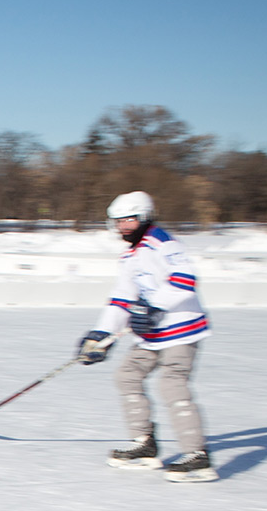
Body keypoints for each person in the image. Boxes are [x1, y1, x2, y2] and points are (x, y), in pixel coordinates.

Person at [77, 190, 215, 482]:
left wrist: (154, 307)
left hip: (181, 328)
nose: (123, 227)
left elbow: (185, 278)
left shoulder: (161, 242)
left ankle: (197, 456)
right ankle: (144, 444)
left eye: (128, 220)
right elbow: (122, 298)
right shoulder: (130, 255)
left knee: (171, 383)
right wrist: (101, 333)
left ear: (143, 217)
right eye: (118, 222)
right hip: (152, 332)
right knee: (127, 375)